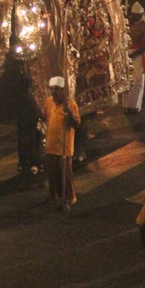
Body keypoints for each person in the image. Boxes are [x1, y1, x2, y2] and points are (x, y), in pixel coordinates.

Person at [42, 76, 81, 211]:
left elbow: (76, 125)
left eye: (57, 89)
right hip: (50, 144)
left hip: (64, 146)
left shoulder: (71, 104)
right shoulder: (48, 102)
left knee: (65, 175)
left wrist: (69, 113)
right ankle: (55, 195)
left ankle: (68, 200)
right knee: (52, 173)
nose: (53, 92)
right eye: (52, 89)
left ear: (63, 90)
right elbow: (43, 117)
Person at [124, 3, 145, 114]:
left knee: (138, 81)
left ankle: (135, 106)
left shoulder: (144, 26)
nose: (135, 17)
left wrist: (132, 55)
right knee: (127, 80)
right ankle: (127, 105)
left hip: (137, 55)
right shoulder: (129, 21)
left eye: (137, 15)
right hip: (127, 52)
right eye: (134, 15)